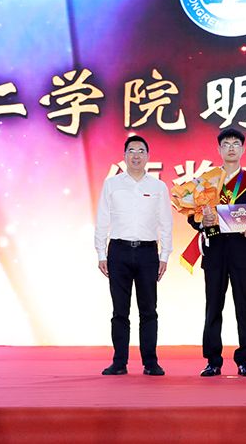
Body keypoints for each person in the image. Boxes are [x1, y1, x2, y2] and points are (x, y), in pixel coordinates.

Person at [187, 128, 246, 377]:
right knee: (213, 306)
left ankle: (245, 359)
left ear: (243, 149)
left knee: (244, 306)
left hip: (242, 251)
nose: (231, 148)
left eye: (236, 144)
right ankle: (213, 360)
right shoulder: (206, 181)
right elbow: (192, 216)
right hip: (215, 250)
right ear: (219, 149)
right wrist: (203, 221)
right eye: (226, 144)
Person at [95, 135, 172, 376]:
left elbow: (165, 223)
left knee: (149, 310)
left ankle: (150, 362)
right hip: (118, 251)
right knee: (120, 311)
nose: (136, 155)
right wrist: (101, 253)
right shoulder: (112, 184)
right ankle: (119, 362)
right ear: (124, 156)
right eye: (131, 151)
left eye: (140, 151)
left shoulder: (158, 187)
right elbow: (102, 219)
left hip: (148, 252)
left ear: (148, 156)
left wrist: (164, 255)